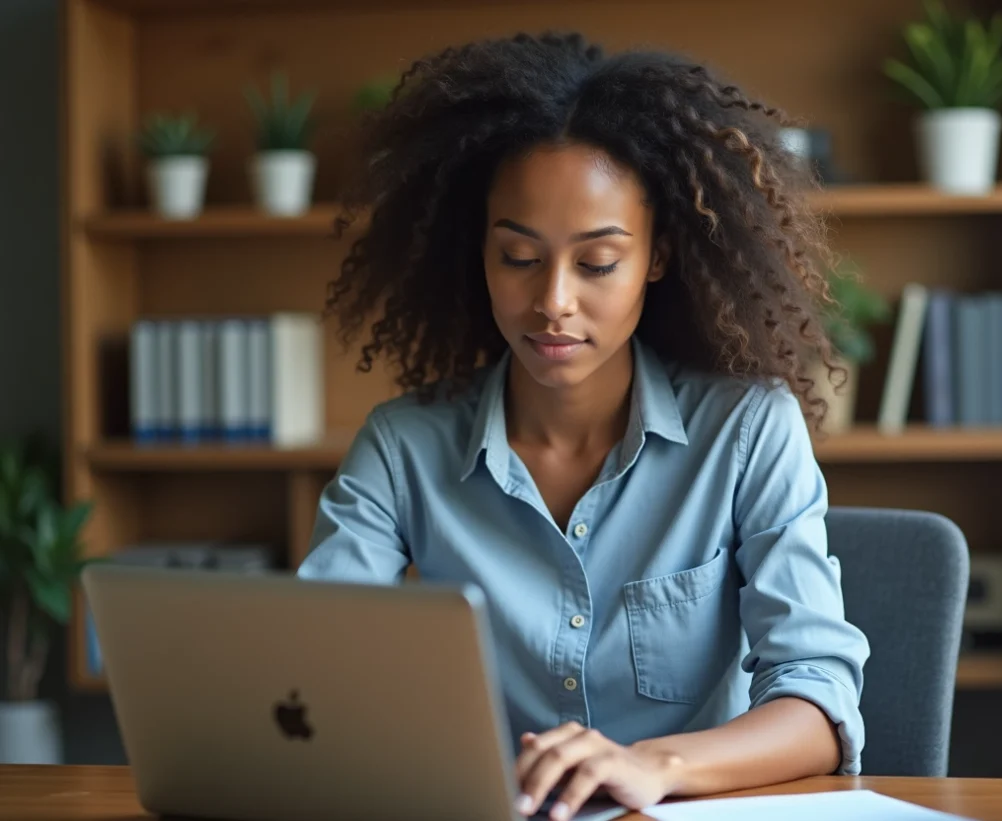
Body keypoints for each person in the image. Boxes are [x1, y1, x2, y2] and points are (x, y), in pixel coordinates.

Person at [298, 31, 870, 821]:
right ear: (480, 255)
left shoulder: (747, 433)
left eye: (597, 262)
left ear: (658, 257)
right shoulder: (404, 448)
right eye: (518, 257)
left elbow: (821, 702)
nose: (553, 301)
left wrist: (651, 765)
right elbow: (307, 670)